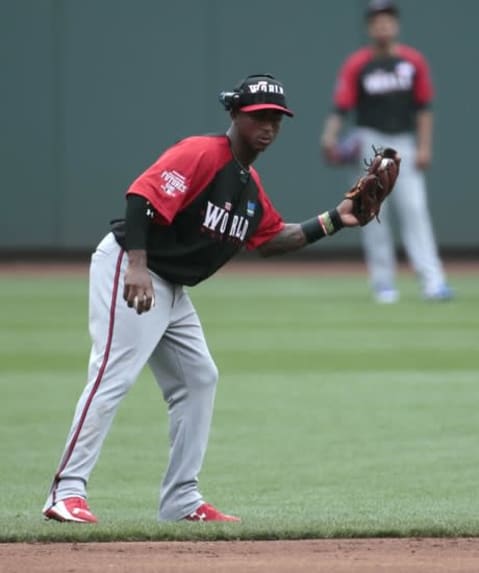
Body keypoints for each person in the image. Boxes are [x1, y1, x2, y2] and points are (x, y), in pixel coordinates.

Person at [43, 73, 373, 525]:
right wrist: (137, 267)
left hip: (171, 285)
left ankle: (181, 500)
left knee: (199, 378)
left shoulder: (247, 183)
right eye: (259, 115)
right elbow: (142, 196)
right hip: (132, 266)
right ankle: (65, 492)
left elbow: (274, 238)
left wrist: (336, 218)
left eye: (276, 118)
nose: (268, 126)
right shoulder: (202, 153)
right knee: (112, 374)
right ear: (235, 114)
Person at [321, 0, 453, 303]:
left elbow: (423, 109)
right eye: (377, 20)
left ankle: (433, 281)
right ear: (370, 27)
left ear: (396, 25)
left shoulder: (412, 62)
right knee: (370, 211)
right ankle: (383, 283)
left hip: (404, 142)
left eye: (388, 19)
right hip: (371, 140)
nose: (383, 25)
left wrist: (424, 146)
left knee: (415, 211)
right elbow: (341, 107)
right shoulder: (358, 64)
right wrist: (329, 137)